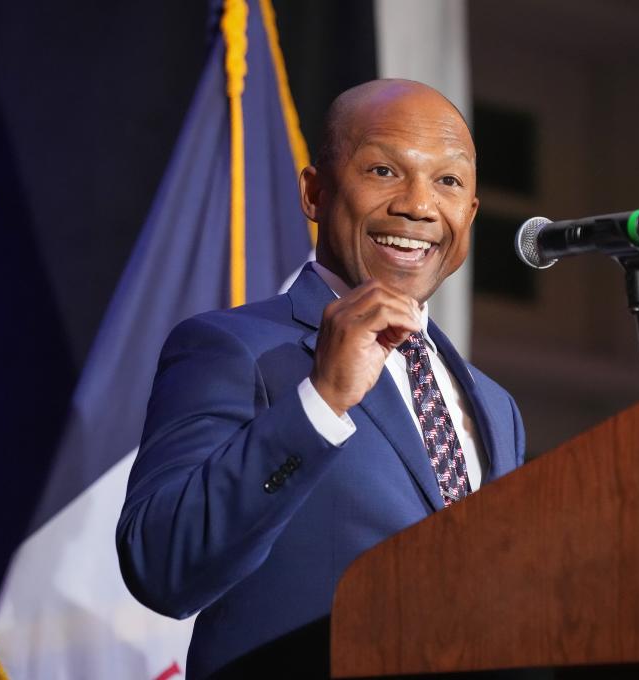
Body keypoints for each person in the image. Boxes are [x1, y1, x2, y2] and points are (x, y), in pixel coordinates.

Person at [116, 79, 526, 679]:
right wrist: (320, 403)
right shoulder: (234, 349)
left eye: (448, 181)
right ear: (315, 192)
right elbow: (163, 564)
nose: (418, 205)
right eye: (384, 171)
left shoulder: (495, 406)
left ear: (469, 213)